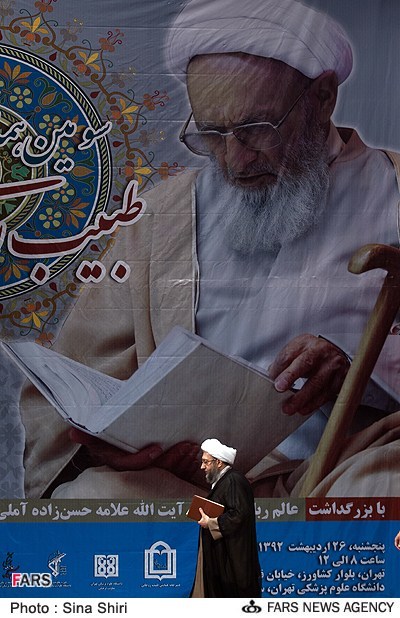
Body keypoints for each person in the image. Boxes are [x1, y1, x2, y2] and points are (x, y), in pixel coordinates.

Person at [20, 0, 400, 499]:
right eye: (213, 134)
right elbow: (79, 381)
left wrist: (360, 364)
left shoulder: (394, 189)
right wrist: (111, 443)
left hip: (349, 463)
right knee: (93, 498)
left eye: (257, 129)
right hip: (194, 477)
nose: (236, 160)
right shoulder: (161, 219)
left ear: (323, 97)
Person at [191, 438, 261, 598]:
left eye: (206, 462)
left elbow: (240, 515)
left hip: (233, 563)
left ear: (219, 463)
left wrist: (211, 523)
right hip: (222, 559)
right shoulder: (223, 481)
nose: (202, 467)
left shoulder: (233, 481)